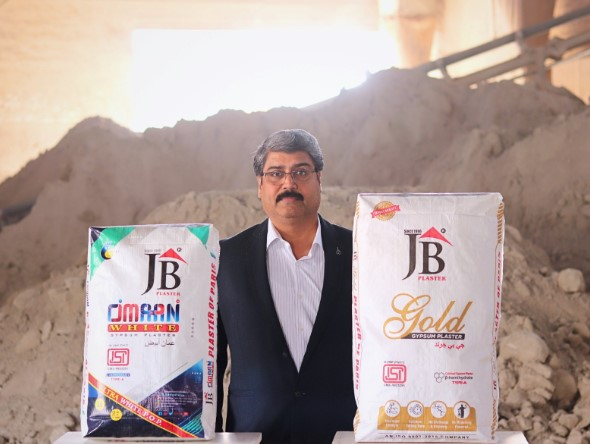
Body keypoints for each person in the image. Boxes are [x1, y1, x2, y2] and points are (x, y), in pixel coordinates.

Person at [216, 129, 356, 443]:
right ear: (260, 185)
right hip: (253, 434)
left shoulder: (358, 252)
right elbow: (212, 361)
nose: (288, 184)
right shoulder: (226, 258)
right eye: (276, 173)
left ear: (319, 179)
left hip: (342, 433)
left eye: (300, 172)